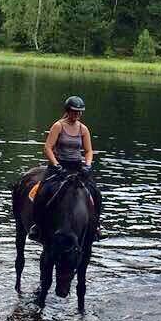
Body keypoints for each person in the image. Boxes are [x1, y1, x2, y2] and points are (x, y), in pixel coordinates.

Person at [28, 95, 102, 241]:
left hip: (77, 167)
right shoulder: (58, 126)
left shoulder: (83, 129)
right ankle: (37, 225)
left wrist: (88, 165)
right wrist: (56, 165)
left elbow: (88, 151)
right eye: (74, 111)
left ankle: (96, 226)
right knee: (42, 191)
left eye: (79, 112)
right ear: (67, 111)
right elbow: (48, 148)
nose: (77, 114)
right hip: (58, 167)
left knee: (95, 192)